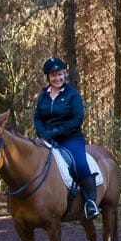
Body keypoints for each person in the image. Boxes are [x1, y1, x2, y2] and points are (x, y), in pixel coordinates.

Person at [33, 56, 100, 220]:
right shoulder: (43, 96)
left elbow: (77, 119)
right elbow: (37, 118)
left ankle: (91, 202)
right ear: (48, 77)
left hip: (70, 138)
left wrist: (55, 132)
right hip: (47, 138)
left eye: (60, 74)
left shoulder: (73, 94)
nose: (58, 78)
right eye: (53, 75)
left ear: (64, 74)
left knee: (81, 164)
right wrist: (42, 133)